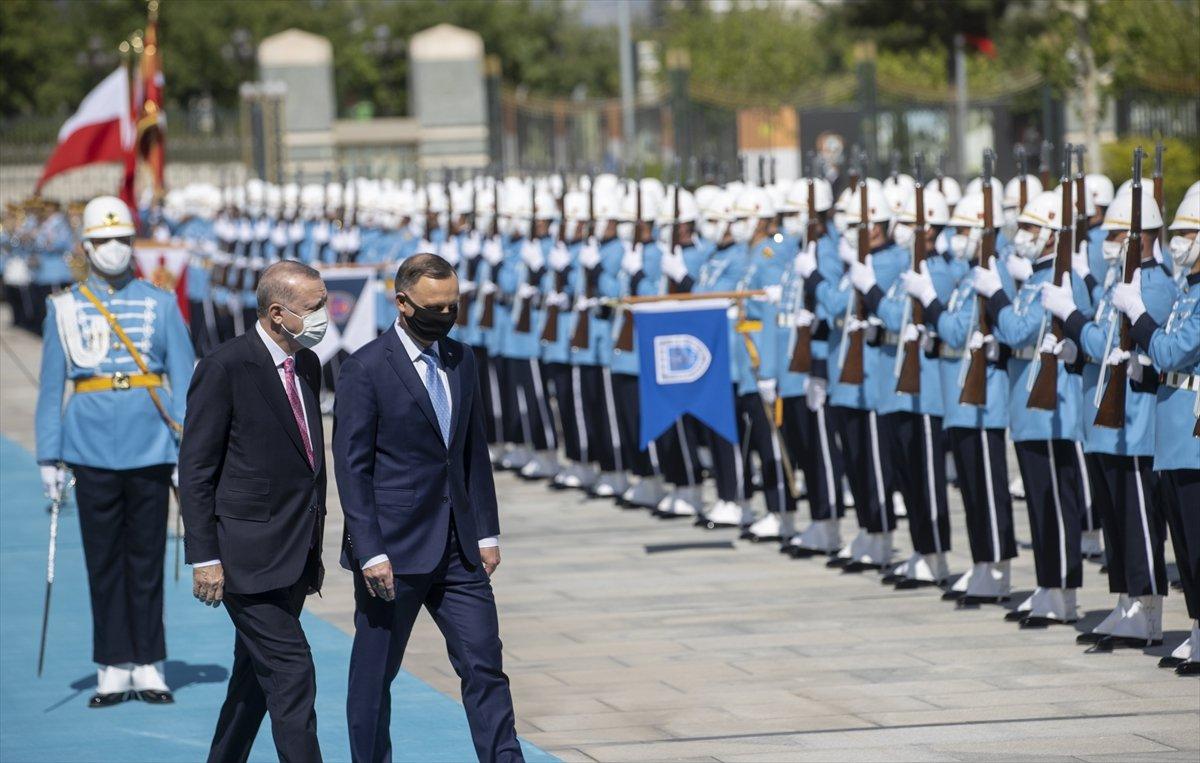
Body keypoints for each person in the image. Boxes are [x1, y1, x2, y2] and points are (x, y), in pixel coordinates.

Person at [333, 253, 523, 763]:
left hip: (460, 549)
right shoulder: (365, 368)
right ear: (401, 302)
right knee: (376, 675)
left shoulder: (462, 360)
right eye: (433, 307)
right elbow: (353, 470)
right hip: (394, 552)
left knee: (484, 665)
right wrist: (369, 550)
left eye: (452, 305)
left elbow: (470, 451)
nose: (444, 315)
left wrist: (486, 532)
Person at [35, 195, 194, 707]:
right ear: (86, 247)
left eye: (123, 239)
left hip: (150, 443)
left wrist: (184, 448)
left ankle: (149, 661)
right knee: (103, 561)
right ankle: (112, 662)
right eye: (103, 241)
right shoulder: (64, 308)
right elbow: (51, 387)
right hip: (89, 444)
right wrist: (48, 456)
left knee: (148, 558)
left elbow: (186, 380)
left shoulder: (160, 303)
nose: (114, 249)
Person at [179, 260, 329, 762]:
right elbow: (196, 469)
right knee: (292, 672)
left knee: (253, 681)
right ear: (277, 313)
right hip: (246, 555)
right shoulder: (225, 366)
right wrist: (204, 557)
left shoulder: (306, 362)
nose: (326, 315)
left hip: (295, 549)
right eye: (315, 307)